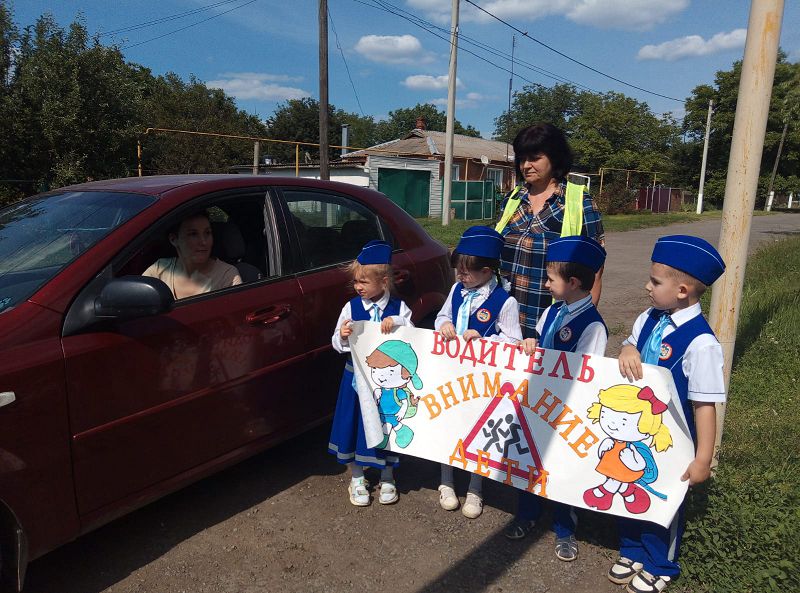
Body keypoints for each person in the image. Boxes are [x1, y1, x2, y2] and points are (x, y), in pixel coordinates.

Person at [607, 235, 726, 593]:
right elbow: (631, 344)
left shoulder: (702, 344)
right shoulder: (649, 317)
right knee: (630, 486)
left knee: (665, 501)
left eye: (655, 282)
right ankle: (632, 549)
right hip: (635, 429)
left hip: (674, 439)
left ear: (682, 290)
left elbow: (705, 405)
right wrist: (628, 348)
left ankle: (661, 563)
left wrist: (703, 458)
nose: (647, 287)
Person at [507, 236, 608, 561]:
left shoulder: (593, 327)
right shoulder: (552, 312)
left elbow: (586, 375)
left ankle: (565, 528)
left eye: (551, 279)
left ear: (573, 282)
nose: (546, 284)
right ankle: (527, 514)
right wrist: (529, 344)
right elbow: (539, 344)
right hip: (537, 403)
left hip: (565, 411)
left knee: (561, 468)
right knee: (528, 461)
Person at [435, 226, 523, 519]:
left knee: (478, 429)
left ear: (486, 271)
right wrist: (444, 325)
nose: (460, 275)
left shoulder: (504, 301)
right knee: (448, 423)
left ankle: (475, 486)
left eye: (466, 271)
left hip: (482, 380)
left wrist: (486, 339)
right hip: (452, 372)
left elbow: (512, 340)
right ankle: (446, 479)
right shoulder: (456, 291)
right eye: (458, 269)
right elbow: (442, 315)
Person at [497, 123, 605, 339]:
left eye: (534, 158)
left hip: (550, 327)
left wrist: (578, 326)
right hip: (505, 325)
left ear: (554, 158)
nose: (526, 165)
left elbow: (595, 272)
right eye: (522, 159)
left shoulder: (579, 202)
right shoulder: (513, 199)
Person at [328, 240, 414, 507]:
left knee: (387, 424)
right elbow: (335, 342)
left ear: (384, 281)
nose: (358, 286)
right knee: (355, 425)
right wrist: (343, 336)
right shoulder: (350, 308)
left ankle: (387, 475)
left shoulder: (399, 308)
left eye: (364, 281)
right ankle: (357, 477)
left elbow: (413, 338)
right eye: (356, 281)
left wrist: (398, 323)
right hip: (356, 380)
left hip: (387, 385)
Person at [143, 211, 241, 299]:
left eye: (207, 233)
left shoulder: (227, 276)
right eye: (193, 234)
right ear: (174, 239)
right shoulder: (159, 270)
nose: (203, 242)